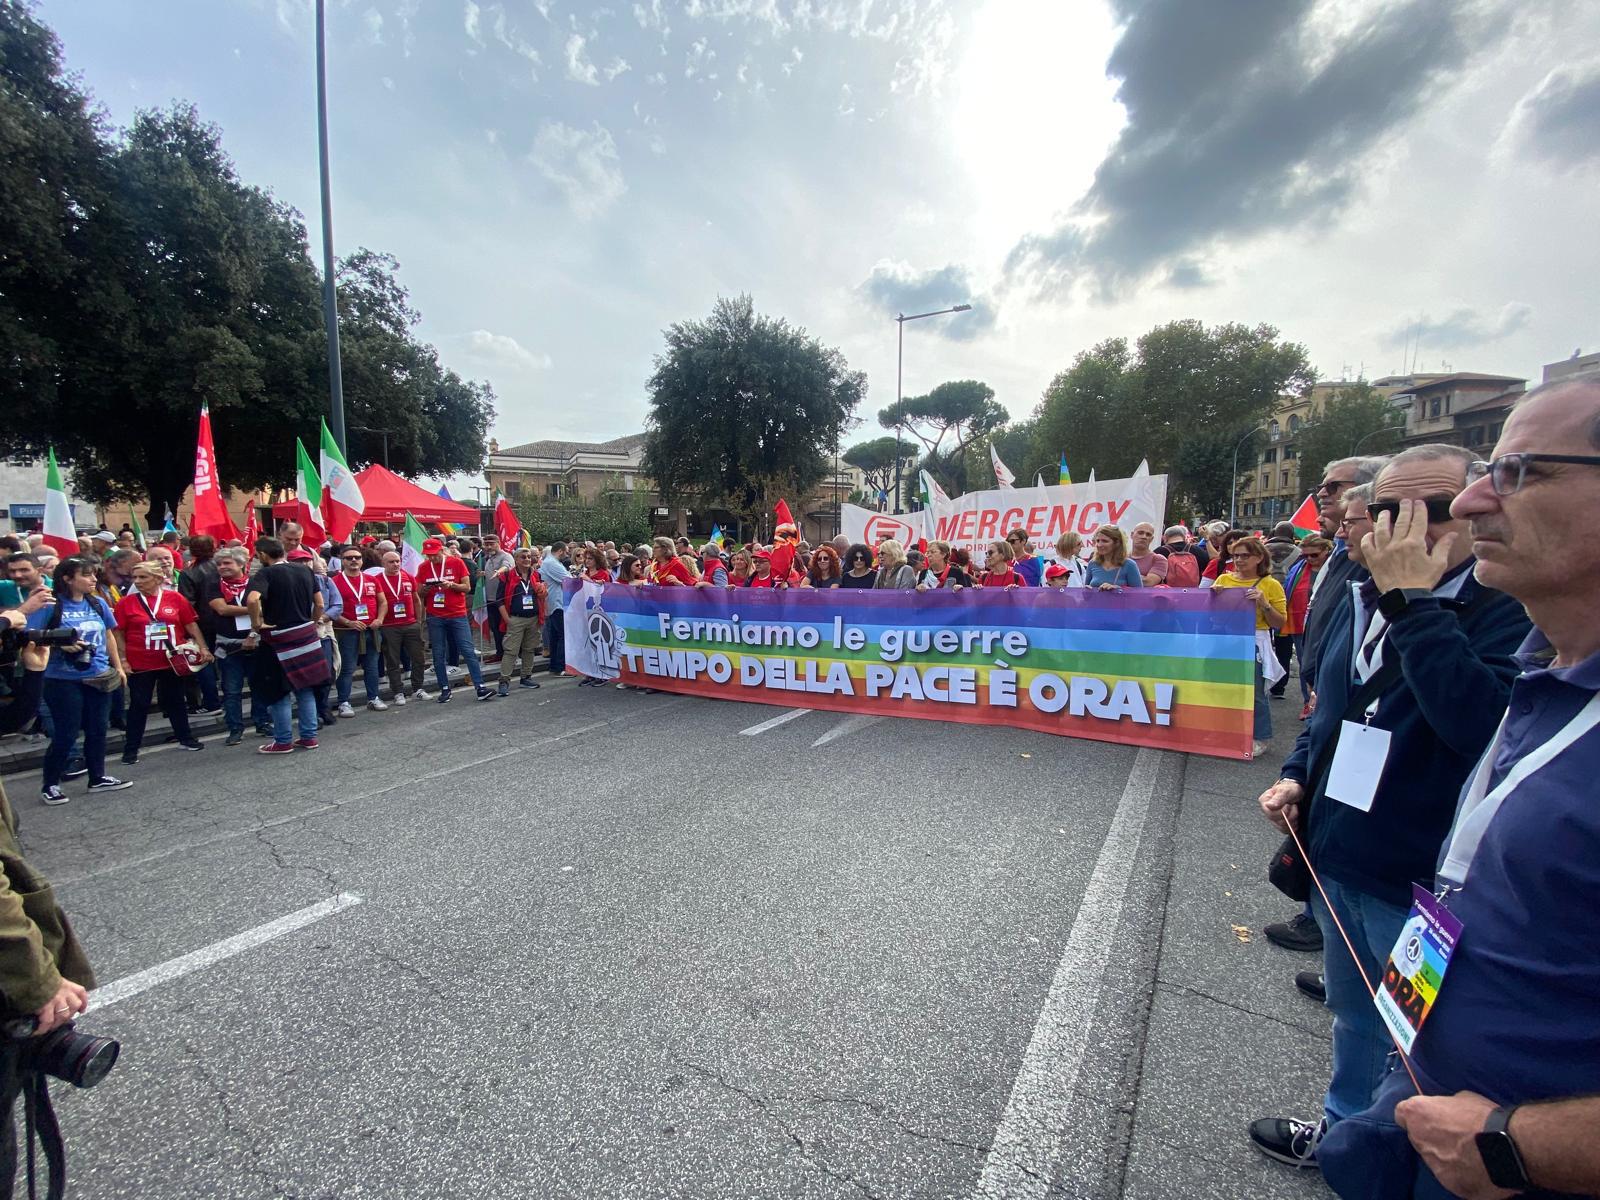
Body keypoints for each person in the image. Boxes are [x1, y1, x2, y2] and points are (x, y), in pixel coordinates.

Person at [1317, 377, 1600, 1200]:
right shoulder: (1548, 662)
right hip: (1419, 969)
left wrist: (1520, 1143)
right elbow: (1336, 706)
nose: (1479, 502)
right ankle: (1350, 1131)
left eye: (1520, 473)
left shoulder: (1459, 610)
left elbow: (1465, 718)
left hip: (1509, 1152)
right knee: (1360, 1029)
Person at [1250, 445, 1532, 1172]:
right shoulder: (1357, 590)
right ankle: (1345, 1136)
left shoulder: (1507, 606)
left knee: (1416, 1037)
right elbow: (1331, 710)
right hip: (1340, 852)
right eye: (1381, 511)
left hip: (1422, 880)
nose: (1401, 526)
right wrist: (1297, 775)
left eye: (1431, 509)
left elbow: (1481, 729)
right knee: (1354, 1015)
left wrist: (1413, 604)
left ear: (1476, 510)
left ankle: (1404, 1161)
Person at [27, 558, 130, 805]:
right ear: (67, 578)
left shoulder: (97, 603)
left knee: (98, 729)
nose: (93, 579)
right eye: (86, 575)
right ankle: (50, 784)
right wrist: (60, 643)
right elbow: (30, 638)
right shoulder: (49, 606)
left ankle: (98, 777)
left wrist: (118, 666)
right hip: (62, 679)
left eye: (94, 574)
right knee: (67, 733)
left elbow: (108, 635)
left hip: (98, 676)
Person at [113, 561, 210, 764]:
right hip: (140, 661)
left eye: (143, 577)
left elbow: (190, 625)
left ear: (157, 579)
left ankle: (185, 738)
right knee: (139, 705)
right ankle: (131, 749)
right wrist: (123, 660)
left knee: (176, 701)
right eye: (135, 577)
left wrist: (203, 648)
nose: (137, 581)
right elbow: (119, 633)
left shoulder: (175, 598)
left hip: (171, 660)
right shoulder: (126, 603)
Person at [247, 537, 327, 753]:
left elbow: (253, 599)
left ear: (263, 555)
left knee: (279, 691)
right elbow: (319, 603)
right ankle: (309, 737)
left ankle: (283, 741)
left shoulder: (265, 573)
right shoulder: (305, 571)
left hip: (278, 639)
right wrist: (311, 620)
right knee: (305, 687)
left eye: (257, 554)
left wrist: (257, 624)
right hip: (305, 635)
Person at [1209, 535, 1287, 756]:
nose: (1239, 560)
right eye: (1235, 556)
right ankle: (1224, 730)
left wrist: (1264, 604)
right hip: (1225, 639)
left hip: (1253, 640)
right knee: (1221, 688)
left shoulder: (1270, 585)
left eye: (1245, 555)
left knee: (1253, 691)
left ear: (1259, 557)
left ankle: (1260, 736)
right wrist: (1213, 599)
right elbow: (1211, 615)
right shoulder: (1223, 581)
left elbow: (1280, 623)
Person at [203, 547, 271, 745]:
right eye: (220, 564)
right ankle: (235, 728)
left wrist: (253, 625)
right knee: (232, 690)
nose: (222, 567)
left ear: (241, 564)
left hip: (256, 641)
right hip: (229, 646)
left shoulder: (255, 583)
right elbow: (222, 609)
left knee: (259, 686)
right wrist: (253, 609)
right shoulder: (213, 584)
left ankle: (262, 722)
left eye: (227, 563)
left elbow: (267, 609)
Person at [418, 538, 493, 703]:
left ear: (441, 550)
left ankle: (480, 687)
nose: (431, 558)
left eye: (434, 555)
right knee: (438, 653)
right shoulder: (423, 567)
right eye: (428, 555)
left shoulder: (457, 563)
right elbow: (419, 593)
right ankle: (444, 689)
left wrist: (451, 585)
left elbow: (466, 587)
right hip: (435, 615)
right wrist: (425, 589)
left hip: (457, 614)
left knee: (467, 650)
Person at [331, 546, 388, 716]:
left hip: (371, 630)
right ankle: (344, 702)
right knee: (347, 668)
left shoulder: (372, 579)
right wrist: (348, 622)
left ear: (362, 560)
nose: (354, 560)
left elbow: (383, 602)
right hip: (347, 631)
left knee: (372, 666)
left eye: (357, 557)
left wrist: (380, 619)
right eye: (349, 558)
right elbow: (330, 608)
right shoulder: (335, 582)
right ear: (343, 561)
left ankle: (373, 697)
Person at [1279, 536, 1333, 705]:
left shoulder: (1334, 568)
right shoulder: (1299, 568)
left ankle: (1324, 701)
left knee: (1327, 664)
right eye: (1305, 555)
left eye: (1314, 555)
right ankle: (1307, 702)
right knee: (1305, 664)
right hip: (1300, 623)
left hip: (1326, 622)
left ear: (1326, 551)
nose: (1309, 559)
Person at [373, 549, 429, 704]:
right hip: (389, 626)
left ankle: (418, 688)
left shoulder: (408, 577)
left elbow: (416, 600)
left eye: (397, 561)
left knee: (419, 658)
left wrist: (418, 621)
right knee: (392, 660)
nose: (395, 564)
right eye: (391, 562)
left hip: (410, 624)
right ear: (383, 563)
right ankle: (398, 692)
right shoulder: (377, 580)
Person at [494, 546, 546, 695]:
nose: (527, 559)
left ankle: (526, 677)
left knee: (530, 649)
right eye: (523, 557)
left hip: (533, 618)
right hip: (515, 619)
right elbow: (499, 600)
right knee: (511, 651)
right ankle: (504, 681)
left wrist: (543, 592)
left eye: (529, 557)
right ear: (516, 559)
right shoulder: (507, 576)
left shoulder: (536, 575)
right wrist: (507, 620)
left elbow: (541, 596)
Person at [476, 533, 514, 661]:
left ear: (498, 543)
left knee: (503, 628)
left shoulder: (506, 556)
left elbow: (507, 566)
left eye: (491, 544)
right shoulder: (488, 558)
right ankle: (500, 652)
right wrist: (484, 574)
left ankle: (507, 654)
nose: (488, 547)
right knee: (495, 628)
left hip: (502, 600)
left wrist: (500, 571)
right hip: (490, 599)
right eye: (486, 544)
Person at [540, 542, 572, 676]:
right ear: (560, 551)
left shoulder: (550, 562)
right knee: (562, 635)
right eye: (566, 551)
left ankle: (555, 665)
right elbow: (568, 580)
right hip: (557, 603)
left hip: (554, 602)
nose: (567, 554)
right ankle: (560, 666)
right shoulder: (551, 563)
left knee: (555, 635)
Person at [1084, 526, 1143, 590]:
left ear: (1117, 543)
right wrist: (1087, 590)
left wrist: (1118, 589)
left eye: (1104, 541)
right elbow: (1085, 594)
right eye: (1098, 541)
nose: (1099, 545)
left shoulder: (1129, 565)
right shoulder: (1092, 563)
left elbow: (1139, 594)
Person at [1129, 523, 1169, 587]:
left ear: (1152, 539)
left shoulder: (1159, 559)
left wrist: (1121, 576)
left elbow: (1148, 583)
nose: (1144, 537)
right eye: (1140, 533)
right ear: (1132, 535)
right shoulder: (1120, 557)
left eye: (1148, 534)